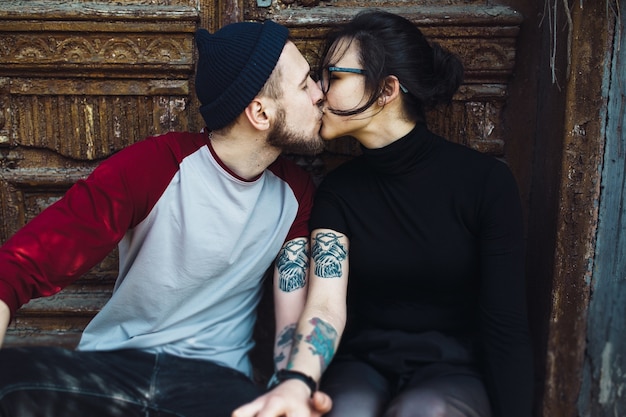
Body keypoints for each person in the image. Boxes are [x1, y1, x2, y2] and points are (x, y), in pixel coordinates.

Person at [0, 19, 332, 417]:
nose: (320, 94)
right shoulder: (152, 167)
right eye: (305, 83)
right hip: (113, 373)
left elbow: (290, 325)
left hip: (214, 386)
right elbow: (18, 268)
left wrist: (290, 390)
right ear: (259, 113)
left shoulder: (295, 194)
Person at [234, 10, 534, 417]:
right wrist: (298, 382)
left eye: (333, 77)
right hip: (360, 367)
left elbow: (506, 325)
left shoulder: (485, 184)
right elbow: (324, 304)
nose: (319, 93)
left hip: (453, 373)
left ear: (386, 89)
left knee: (425, 411)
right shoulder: (339, 192)